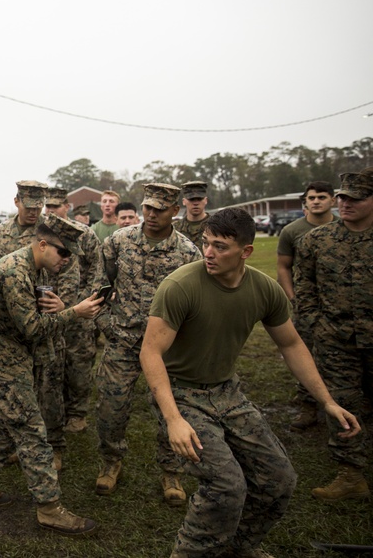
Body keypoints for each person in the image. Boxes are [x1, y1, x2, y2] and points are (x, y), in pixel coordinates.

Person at [140, 207, 360, 558]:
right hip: (181, 391)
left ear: (246, 252)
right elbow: (150, 354)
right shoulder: (180, 285)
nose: (209, 253)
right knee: (226, 486)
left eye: (221, 247)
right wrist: (173, 419)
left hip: (227, 391)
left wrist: (327, 401)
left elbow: (290, 344)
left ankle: (240, 547)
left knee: (279, 480)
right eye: (206, 243)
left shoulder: (264, 289)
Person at [0, 217, 104, 536]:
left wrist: (59, 308)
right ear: (42, 245)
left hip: (12, 356)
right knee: (30, 429)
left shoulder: (36, 268)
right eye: (63, 253)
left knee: (6, 423)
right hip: (0, 359)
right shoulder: (15, 270)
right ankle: (50, 508)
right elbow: (33, 328)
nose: (66, 260)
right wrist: (74, 313)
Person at [93, 183, 202, 504]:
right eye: (148, 208)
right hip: (123, 340)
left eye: (159, 209)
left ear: (174, 211)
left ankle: (172, 471)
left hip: (168, 348)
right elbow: (99, 285)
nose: (151, 214)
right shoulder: (119, 241)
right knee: (111, 408)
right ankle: (111, 462)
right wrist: (106, 324)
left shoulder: (187, 252)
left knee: (172, 410)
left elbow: (195, 300)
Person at [295, 170, 373, 501]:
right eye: (343, 197)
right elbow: (304, 287)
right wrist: (316, 324)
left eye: (356, 198)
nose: (346, 203)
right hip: (336, 340)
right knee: (342, 404)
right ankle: (350, 475)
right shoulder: (316, 241)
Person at [275, 180, 337, 431]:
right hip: (307, 306)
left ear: (333, 201)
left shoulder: (343, 227)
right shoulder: (292, 230)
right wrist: (293, 298)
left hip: (342, 305)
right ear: (305, 202)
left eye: (322, 197)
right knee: (306, 355)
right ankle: (308, 407)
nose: (316, 201)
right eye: (311, 198)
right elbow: (283, 267)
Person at [46, 187, 105, 435]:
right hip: (48, 308)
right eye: (46, 206)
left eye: (55, 206)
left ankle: (77, 412)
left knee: (79, 363)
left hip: (79, 310)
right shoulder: (41, 235)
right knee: (51, 362)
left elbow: (97, 271)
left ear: (66, 207)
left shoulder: (85, 234)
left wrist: (83, 304)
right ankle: (53, 410)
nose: (50, 210)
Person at [0, 180, 48, 258]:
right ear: (16, 201)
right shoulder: (1, 231)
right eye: (28, 207)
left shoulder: (51, 230)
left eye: (37, 207)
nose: (33, 212)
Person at [174, 181, 210, 250]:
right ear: (184, 201)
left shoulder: (216, 226)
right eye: (191, 199)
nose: (196, 203)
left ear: (206, 200)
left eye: (199, 199)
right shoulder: (175, 229)